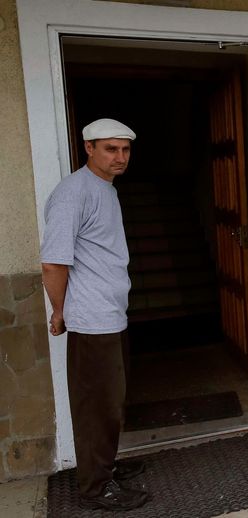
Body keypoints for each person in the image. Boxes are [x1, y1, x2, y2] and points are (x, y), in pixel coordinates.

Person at [41, 118, 148, 511]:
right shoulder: (74, 192)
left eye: (125, 149)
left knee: (110, 401)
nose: (120, 157)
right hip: (91, 321)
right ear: (88, 148)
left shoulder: (104, 188)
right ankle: (94, 488)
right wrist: (59, 311)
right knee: (96, 406)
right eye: (110, 149)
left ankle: (105, 467)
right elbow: (53, 263)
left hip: (110, 314)